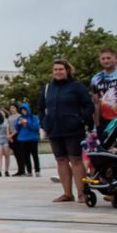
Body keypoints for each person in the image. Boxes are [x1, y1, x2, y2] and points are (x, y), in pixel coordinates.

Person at [38, 59, 94, 202]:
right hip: (54, 129)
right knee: (61, 160)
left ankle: (82, 193)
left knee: (76, 160)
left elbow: (88, 105)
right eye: (55, 69)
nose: (58, 72)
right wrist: (44, 122)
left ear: (67, 70)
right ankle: (67, 193)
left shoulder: (76, 86)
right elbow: (41, 108)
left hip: (73, 128)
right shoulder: (47, 88)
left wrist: (80, 120)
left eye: (61, 69)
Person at [14, 103, 41, 177]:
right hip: (22, 139)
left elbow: (36, 127)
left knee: (34, 155)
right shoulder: (19, 118)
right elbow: (16, 128)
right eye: (22, 110)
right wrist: (19, 124)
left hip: (32, 139)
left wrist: (27, 123)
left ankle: (37, 170)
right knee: (26, 156)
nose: (23, 111)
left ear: (28, 110)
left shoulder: (34, 118)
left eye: (24, 110)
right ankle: (29, 171)